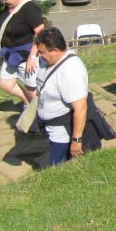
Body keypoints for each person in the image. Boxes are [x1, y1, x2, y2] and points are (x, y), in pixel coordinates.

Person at [22, 28, 90, 166]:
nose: (39, 56)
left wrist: (76, 140)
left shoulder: (71, 71)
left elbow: (81, 108)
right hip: (50, 127)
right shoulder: (47, 61)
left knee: (55, 169)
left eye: (42, 52)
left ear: (55, 50)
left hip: (61, 132)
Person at [0, 0, 45, 103]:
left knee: (31, 89)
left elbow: (40, 32)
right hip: (10, 54)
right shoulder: (8, 7)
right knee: (5, 83)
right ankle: (28, 102)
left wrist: (32, 57)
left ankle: (39, 115)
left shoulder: (29, 8)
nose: (3, 1)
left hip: (26, 55)